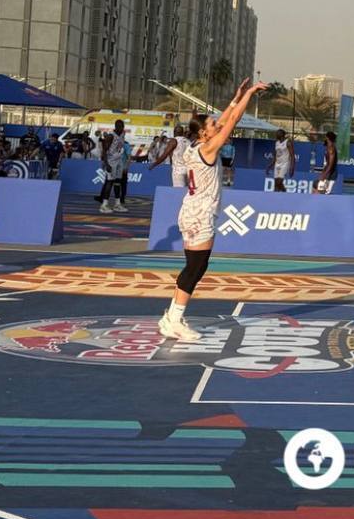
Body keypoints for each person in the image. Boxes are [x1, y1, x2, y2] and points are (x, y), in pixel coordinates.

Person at [158, 78, 268, 342]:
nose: (217, 125)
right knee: (196, 267)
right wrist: (250, 94)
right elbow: (233, 120)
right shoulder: (208, 149)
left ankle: (172, 316)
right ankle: (175, 319)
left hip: (192, 209)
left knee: (194, 266)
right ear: (204, 134)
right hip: (200, 213)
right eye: (212, 125)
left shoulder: (196, 145)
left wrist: (236, 97)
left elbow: (225, 117)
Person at [98, 120, 131, 214]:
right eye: (119, 126)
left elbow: (120, 147)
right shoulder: (111, 136)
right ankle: (104, 205)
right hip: (111, 161)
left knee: (118, 182)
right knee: (109, 182)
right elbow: (104, 151)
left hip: (119, 161)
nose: (121, 128)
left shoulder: (122, 134)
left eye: (122, 126)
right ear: (116, 127)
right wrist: (106, 164)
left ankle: (117, 204)